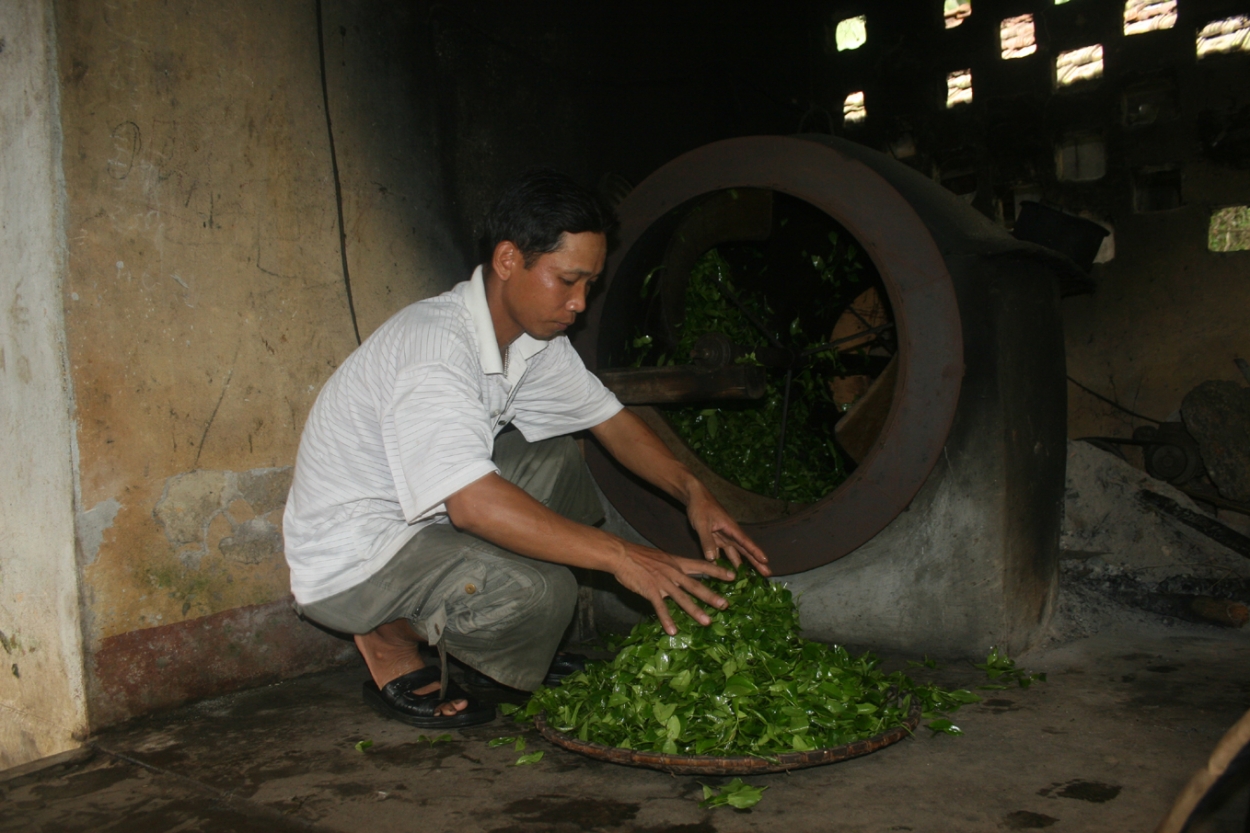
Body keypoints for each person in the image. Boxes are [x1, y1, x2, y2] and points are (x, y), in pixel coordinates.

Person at [283, 169, 770, 729]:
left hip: (421, 516)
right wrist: (621, 556)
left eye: (590, 284)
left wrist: (694, 492)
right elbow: (473, 506)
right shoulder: (437, 350)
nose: (581, 303)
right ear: (509, 260)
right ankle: (387, 638)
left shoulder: (531, 342)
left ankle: (497, 645)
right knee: (541, 593)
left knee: (557, 458)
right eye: (567, 281)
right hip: (355, 556)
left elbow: (609, 420)